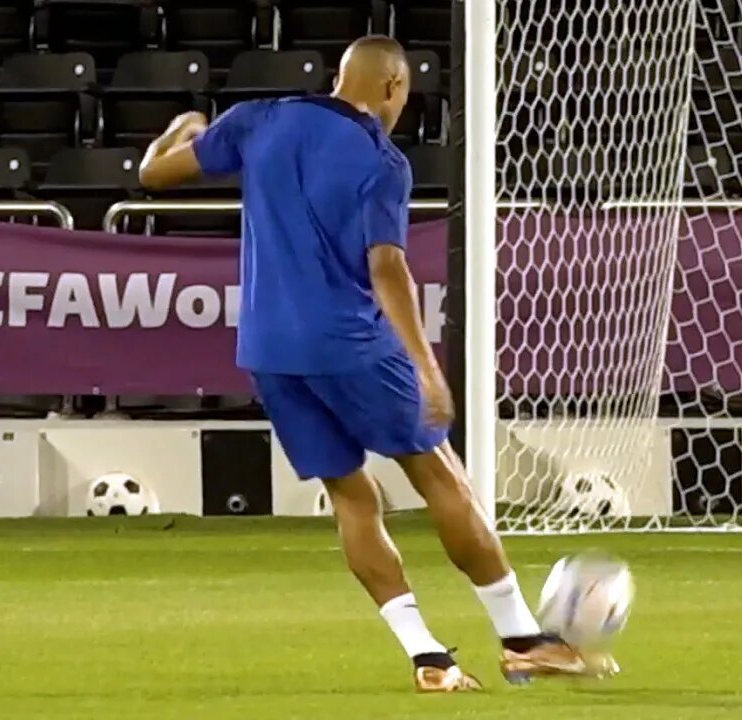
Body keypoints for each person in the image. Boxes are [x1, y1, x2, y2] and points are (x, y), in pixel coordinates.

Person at [138, 35, 612, 692]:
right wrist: (426, 365)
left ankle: (429, 659)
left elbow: (153, 175)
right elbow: (386, 264)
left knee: (352, 498)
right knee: (442, 478)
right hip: (348, 343)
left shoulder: (258, 119)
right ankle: (523, 640)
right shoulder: (379, 161)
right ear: (394, 87)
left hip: (270, 352)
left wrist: (179, 129)